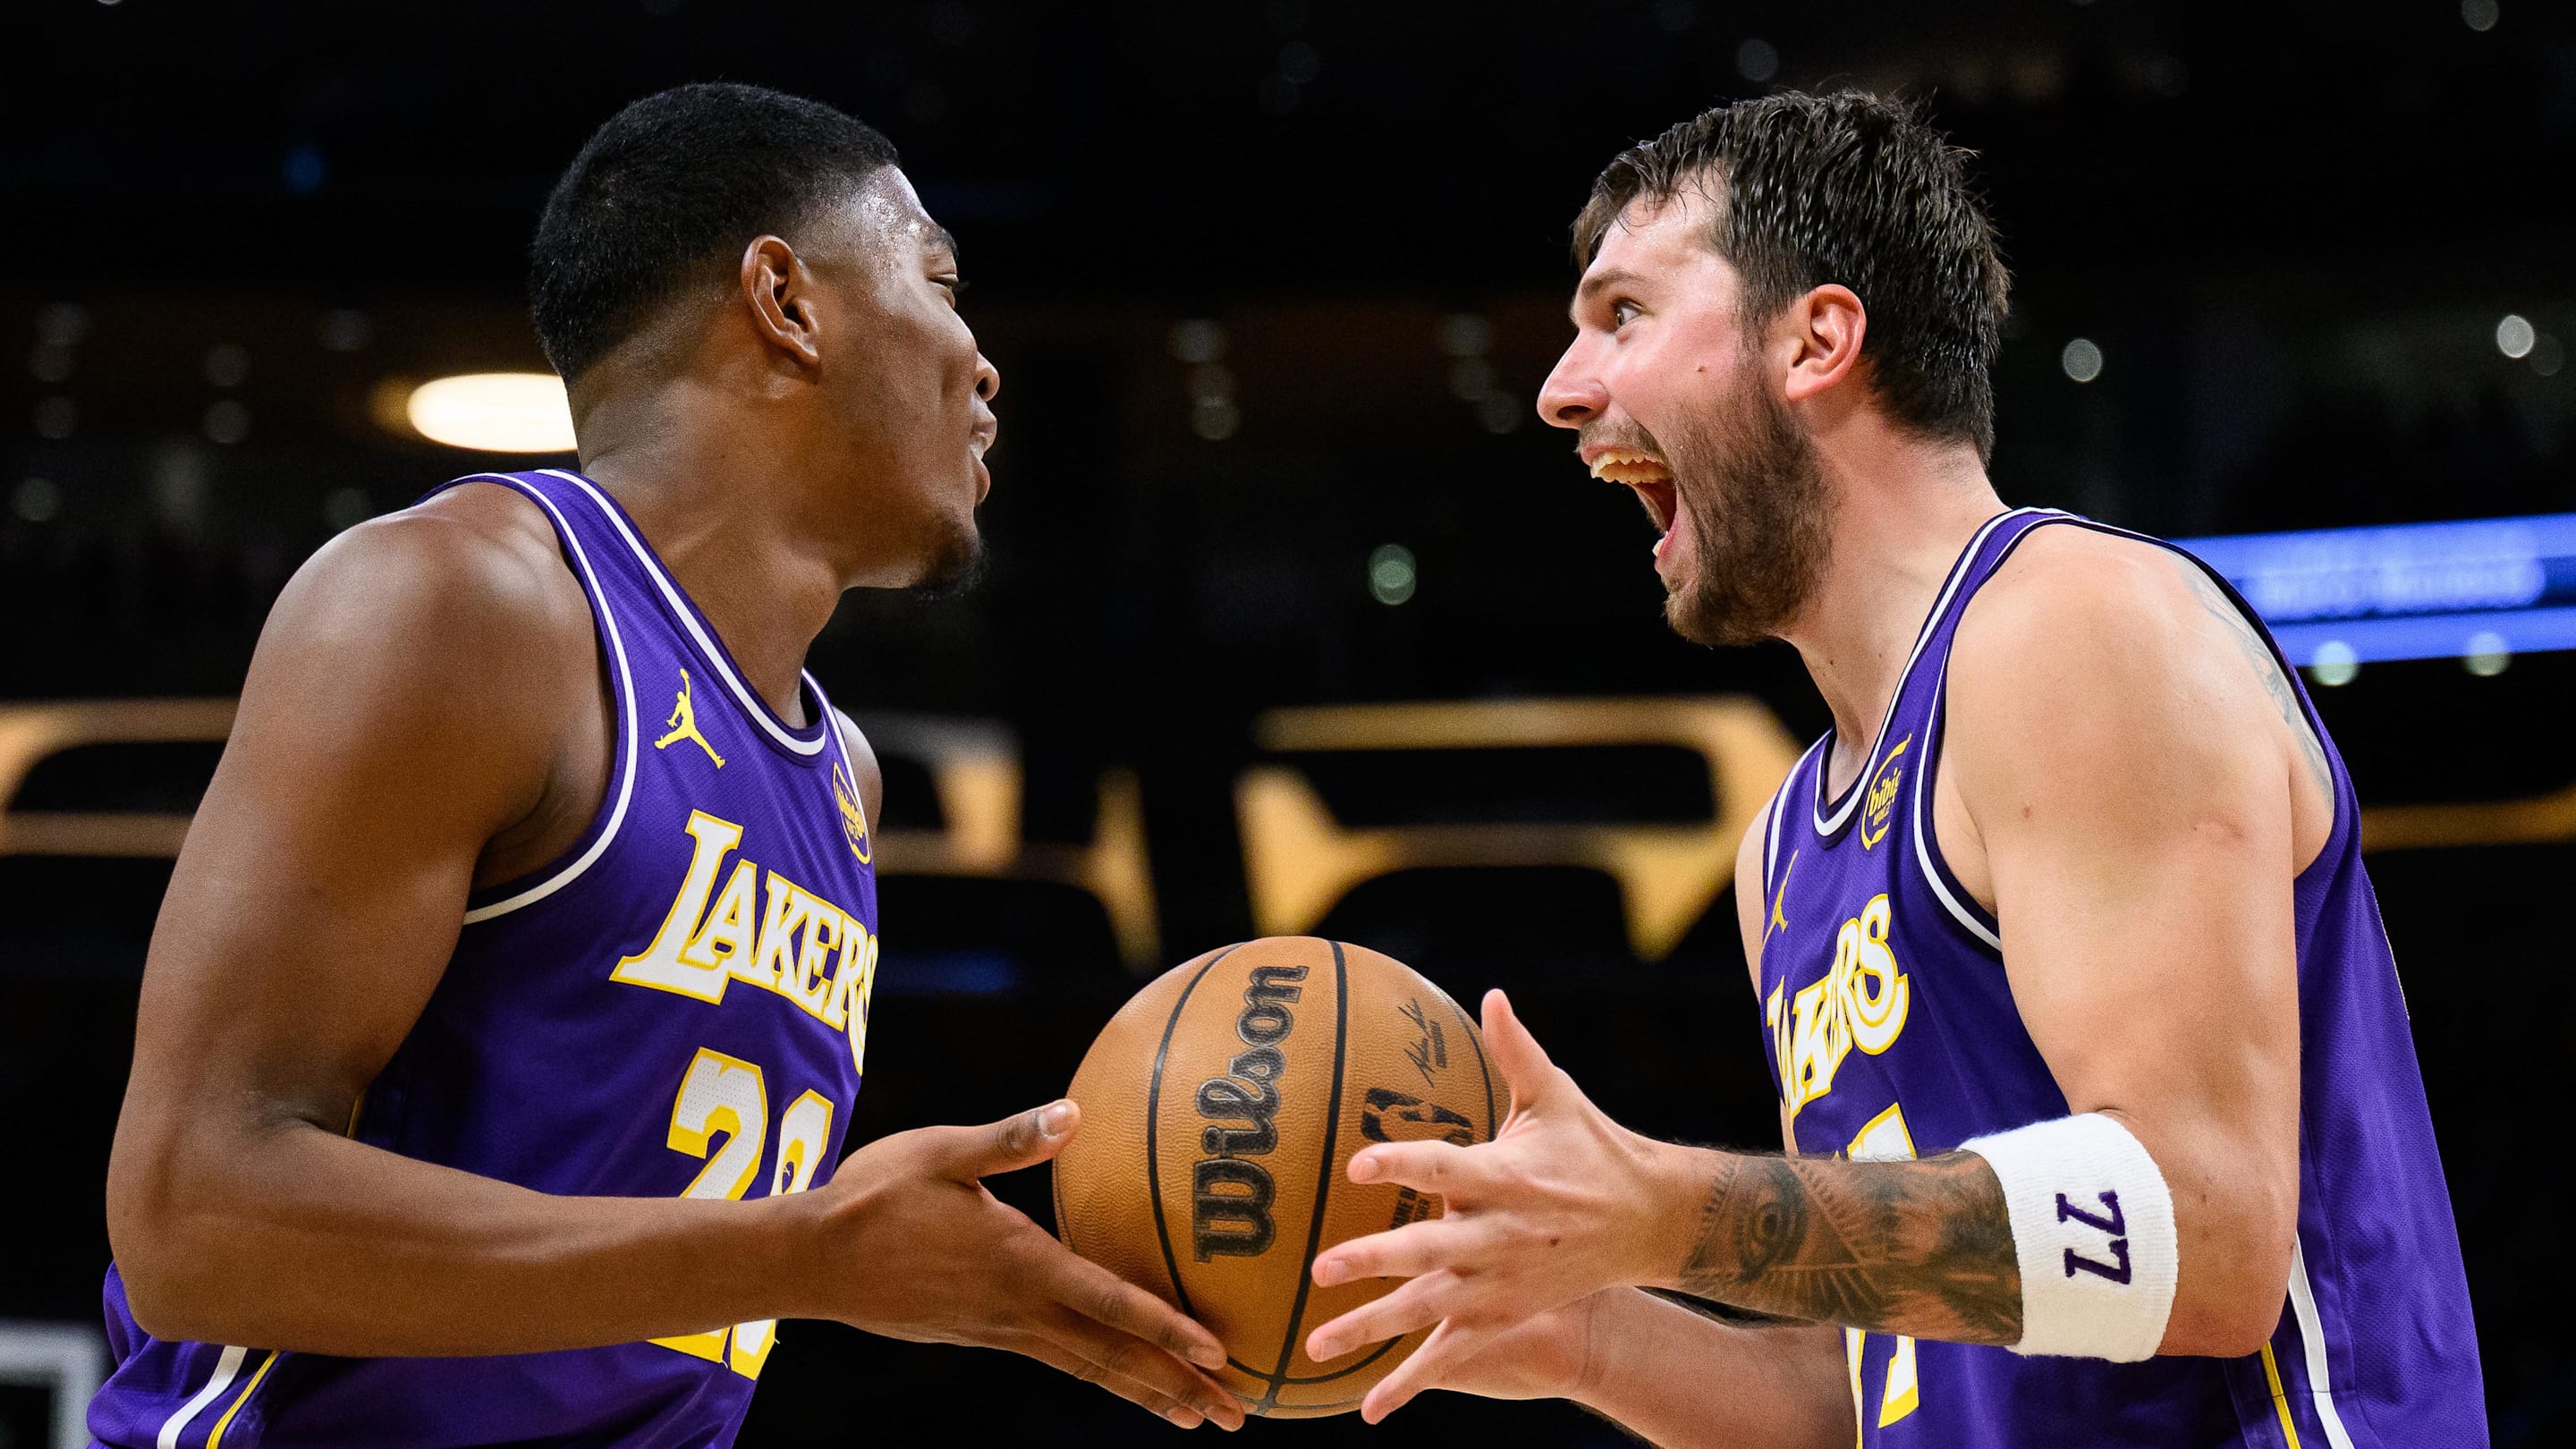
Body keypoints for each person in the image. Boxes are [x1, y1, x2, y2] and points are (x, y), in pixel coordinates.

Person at [1301, 90, 2487, 1445]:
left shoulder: (2070, 624)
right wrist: (1585, 1326)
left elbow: (2203, 1239)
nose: (1562, 390)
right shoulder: (1784, 848)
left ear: (1817, 339)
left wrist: (1664, 1208)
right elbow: (1885, 1390)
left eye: (1622, 314)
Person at [93, 83, 1243, 1446]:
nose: (983, 365)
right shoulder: (459, 607)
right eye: (941, 285)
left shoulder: (843, 779)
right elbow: (193, 1214)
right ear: (786, 300)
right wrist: (808, 1255)